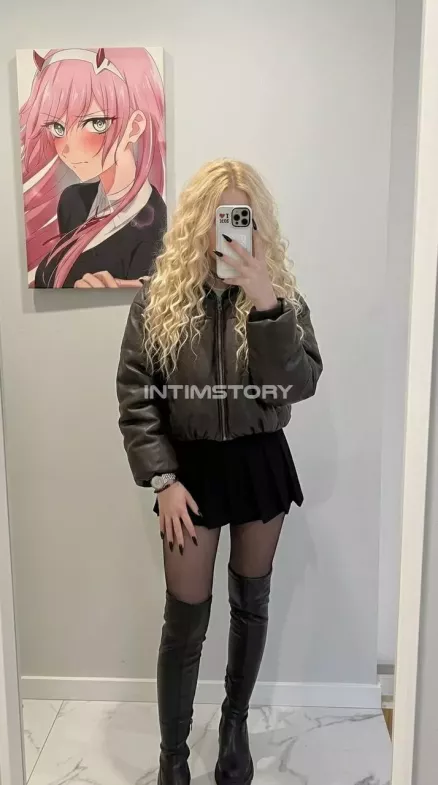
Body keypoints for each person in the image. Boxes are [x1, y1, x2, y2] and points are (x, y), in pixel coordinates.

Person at [116, 158, 323, 785]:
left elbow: (298, 384)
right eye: (219, 214)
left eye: (242, 215)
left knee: (250, 604)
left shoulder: (280, 296)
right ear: (198, 220)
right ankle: (173, 756)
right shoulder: (160, 297)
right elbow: (137, 396)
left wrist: (266, 306)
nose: (229, 226)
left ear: (257, 223)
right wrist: (162, 478)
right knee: (185, 619)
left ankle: (235, 727)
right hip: (189, 471)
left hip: (260, 462)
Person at [20, 47, 166, 288]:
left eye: (96, 123)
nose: (68, 148)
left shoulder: (155, 225)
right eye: (58, 128)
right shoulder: (72, 201)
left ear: (134, 127)